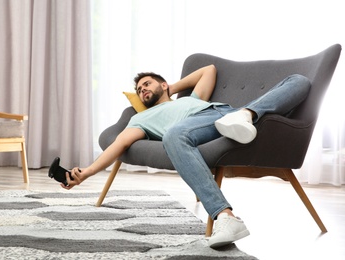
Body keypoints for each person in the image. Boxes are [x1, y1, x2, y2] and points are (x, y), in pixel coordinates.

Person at [61, 65, 311, 249]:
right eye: (139, 90)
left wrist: (171, 88)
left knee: (298, 79)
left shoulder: (193, 99)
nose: (142, 90)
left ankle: (247, 113)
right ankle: (225, 217)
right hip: (191, 128)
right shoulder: (139, 119)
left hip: (225, 114)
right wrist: (88, 172)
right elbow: (119, 144)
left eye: (147, 84)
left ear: (163, 84)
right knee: (173, 135)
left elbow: (209, 70)